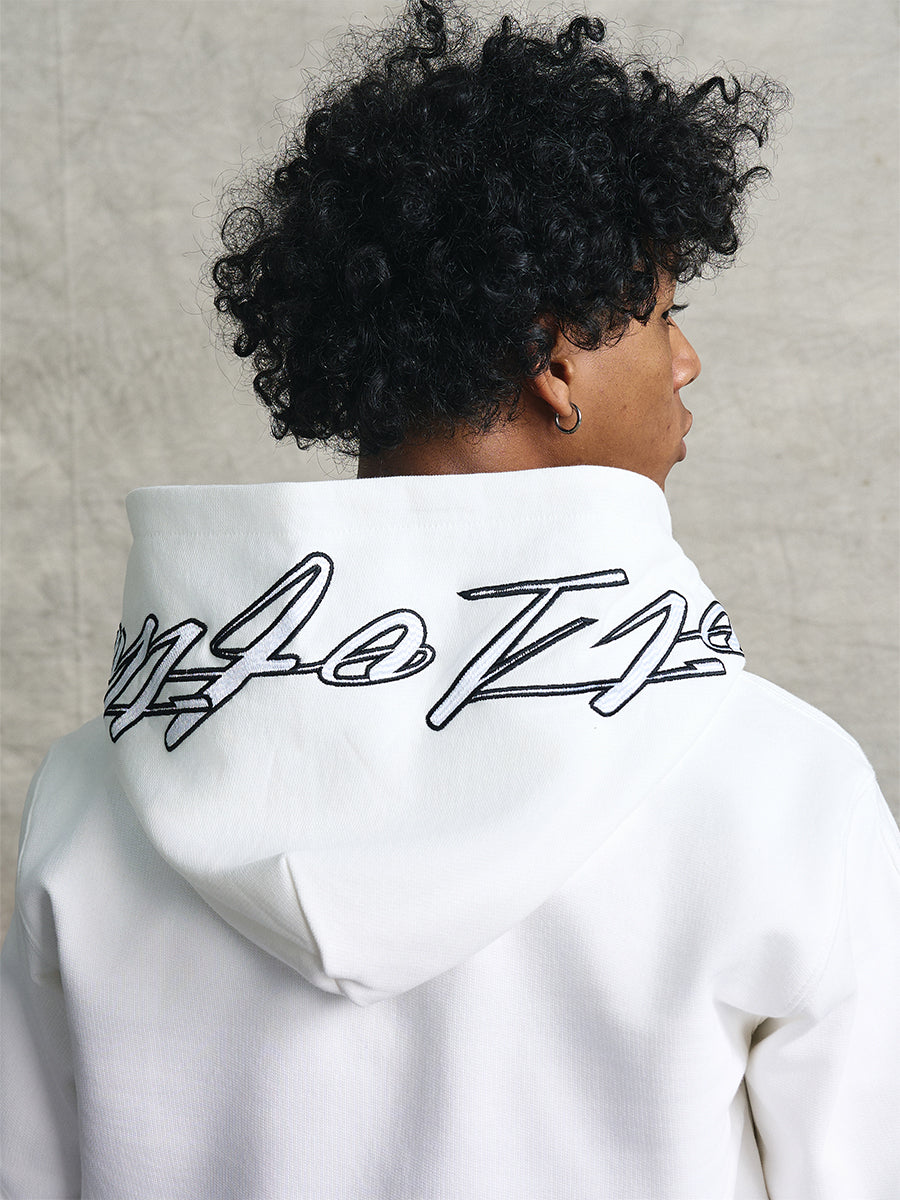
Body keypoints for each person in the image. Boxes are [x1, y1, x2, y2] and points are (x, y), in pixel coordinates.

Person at [1, 1, 898, 1197]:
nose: (686, 363)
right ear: (554, 359)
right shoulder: (777, 788)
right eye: (665, 315)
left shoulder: (94, 795)